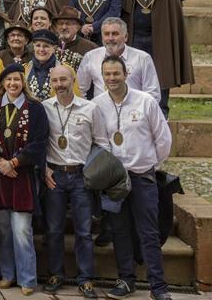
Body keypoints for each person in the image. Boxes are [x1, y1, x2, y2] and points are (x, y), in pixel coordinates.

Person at [92, 55, 174, 300]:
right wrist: (114, 171)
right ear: (102, 76)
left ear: (126, 74)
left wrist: (148, 164)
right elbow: (100, 143)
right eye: (107, 74)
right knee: (120, 231)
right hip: (114, 180)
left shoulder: (146, 101)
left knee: (148, 232)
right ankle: (126, 280)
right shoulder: (97, 105)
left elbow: (163, 139)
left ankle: (158, 287)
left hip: (142, 176)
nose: (112, 78)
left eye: (116, 73)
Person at [0, 64, 47, 296]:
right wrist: (0, 162)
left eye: (17, 79)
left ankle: (28, 278)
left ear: (23, 82)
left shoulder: (35, 108)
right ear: (2, 83)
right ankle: (8, 275)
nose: (12, 84)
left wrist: (15, 162)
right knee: (3, 229)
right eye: (8, 80)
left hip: (23, 176)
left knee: (21, 229)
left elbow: (39, 143)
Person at [41, 65, 99, 298]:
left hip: (81, 175)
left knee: (84, 231)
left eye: (63, 79)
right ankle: (56, 273)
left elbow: (100, 142)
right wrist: (44, 169)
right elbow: (39, 141)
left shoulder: (90, 108)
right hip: (54, 175)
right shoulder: (44, 108)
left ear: (73, 80)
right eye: (55, 81)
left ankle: (85, 279)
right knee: (53, 229)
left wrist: (92, 171)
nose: (59, 84)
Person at [121, 0, 191, 117]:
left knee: (161, 72)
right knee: (134, 72)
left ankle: (161, 112)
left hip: (160, 38)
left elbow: (174, 15)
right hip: (136, 37)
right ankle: (135, 111)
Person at [77, 17, 162, 102]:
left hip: (133, 112)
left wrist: (140, 112)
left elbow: (153, 93)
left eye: (115, 34)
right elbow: (79, 89)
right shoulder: (91, 57)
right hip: (100, 112)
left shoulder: (142, 58)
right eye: (106, 34)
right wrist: (86, 111)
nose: (110, 38)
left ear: (126, 36)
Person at [55, 6, 96, 71]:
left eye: (68, 24)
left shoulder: (90, 48)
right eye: (61, 23)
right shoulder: (50, 44)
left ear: (78, 27)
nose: (64, 27)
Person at [24, 31, 60, 102]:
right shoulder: (23, 69)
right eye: (38, 45)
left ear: (54, 48)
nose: (41, 49)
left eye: (46, 46)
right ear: (33, 47)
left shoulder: (66, 70)